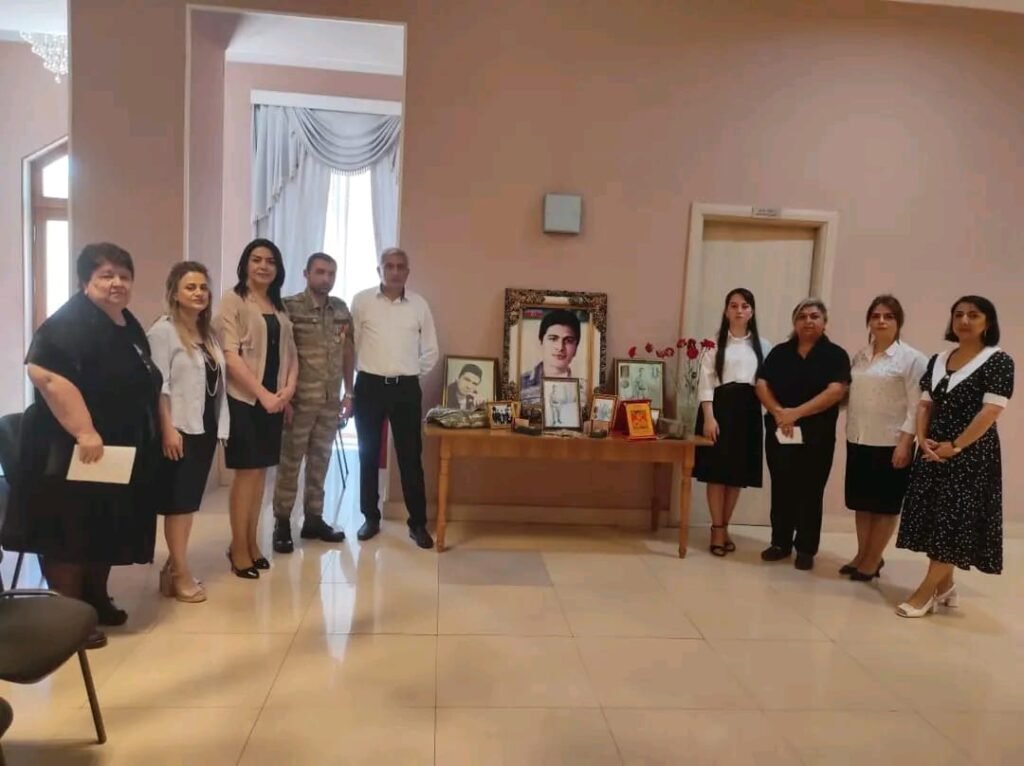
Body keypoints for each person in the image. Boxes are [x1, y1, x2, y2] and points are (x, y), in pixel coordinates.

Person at [1, 243, 162, 648]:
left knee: (102, 525)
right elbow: (45, 374)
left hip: (111, 453)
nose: (117, 283)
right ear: (85, 281)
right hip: (68, 450)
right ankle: (68, 619)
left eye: (124, 276)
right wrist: (85, 430)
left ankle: (94, 600)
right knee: (70, 533)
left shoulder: (123, 321)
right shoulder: (67, 323)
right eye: (106, 275)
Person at [894, 296, 1013, 617]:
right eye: (958, 314)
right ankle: (945, 586)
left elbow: (990, 412)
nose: (964, 320)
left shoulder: (998, 361)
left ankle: (924, 594)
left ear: (988, 322)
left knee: (953, 524)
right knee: (935, 520)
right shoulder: (939, 359)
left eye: (973, 315)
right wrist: (922, 440)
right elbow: (925, 404)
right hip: (932, 450)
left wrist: (956, 445)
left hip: (970, 457)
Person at [214, 239, 297, 578]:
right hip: (245, 401)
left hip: (273, 402)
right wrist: (263, 395)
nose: (264, 266)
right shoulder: (232, 300)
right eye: (257, 259)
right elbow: (230, 356)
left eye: (270, 261)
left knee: (261, 474)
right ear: (245, 264)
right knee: (246, 474)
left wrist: (287, 392)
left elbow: (291, 354)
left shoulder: (278, 305)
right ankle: (238, 548)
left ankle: (250, 542)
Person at [148, 262, 230, 602]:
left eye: (203, 287)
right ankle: (180, 573)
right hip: (178, 429)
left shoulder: (206, 333)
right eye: (190, 287)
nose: (199, 293)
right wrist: (168, 429)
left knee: (188, 503)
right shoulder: (163, 332)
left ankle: (173, 567)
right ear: (175, 293)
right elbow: (158, 385)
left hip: (203, 427)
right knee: (179, 505)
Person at [350, 247, 439, 549]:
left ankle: (418, 523)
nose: (395, 271)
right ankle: (370, 517)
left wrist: (409, 374)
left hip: (405, 389)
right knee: (368, 454)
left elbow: (431, 350)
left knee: (410, 456)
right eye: (389, 266)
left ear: (408, 272)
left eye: (401, 266)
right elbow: (352, 345)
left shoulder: (419, 305)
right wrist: (359, 377)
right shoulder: (362, 301)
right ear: (379, 270)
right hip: (369, 387)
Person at [755, 298, 850, 571]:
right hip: (780, 431)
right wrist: (778, 412)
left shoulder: (835, 355)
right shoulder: (780, 353)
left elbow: (836, 391)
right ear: (794, 322)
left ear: (824, 322)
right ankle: (780, 542)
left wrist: (795, 413)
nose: (808, 321)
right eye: (802, 316)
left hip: (817, 435)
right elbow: (761, 384)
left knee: (811, 490)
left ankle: (806, 548)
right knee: (782, 486)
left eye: (814, 316)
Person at [271, 253, 353, 554]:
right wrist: (284, 397)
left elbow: (348, 352)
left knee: (320, 461)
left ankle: (314, 519)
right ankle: (282, 522)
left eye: (331, 273)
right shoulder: (289, 307)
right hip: (299, 400)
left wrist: (349, 393)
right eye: (320, 272)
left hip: (329, 401)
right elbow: (280, 355)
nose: (326, 278)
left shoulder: (340, 309)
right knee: (290, 463)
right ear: (306, 274)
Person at [841, 295, 926, 582]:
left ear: (898, 322)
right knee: (862, 503)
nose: (881, 321)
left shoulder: (912, 359)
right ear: (869, 321)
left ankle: (873, 558)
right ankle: (862, 554)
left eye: (888, 316)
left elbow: (917, 406)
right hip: (858, 437)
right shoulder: (861, 356)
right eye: (876, 316)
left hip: (891, 443)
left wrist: (905, 443)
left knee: (885, 505)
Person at [694, 288, 772, 556]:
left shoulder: (763, 346)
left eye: (745, 306)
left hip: (748, 413)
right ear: (726, 310)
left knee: (736, 476)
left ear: (752, 311)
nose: (739, 310)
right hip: (719, 410)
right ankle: (716, 529)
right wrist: (709, 417)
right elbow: (705, 382)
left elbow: (766, 384)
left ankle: (725, 526)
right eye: (734, 305)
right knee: (716, 474)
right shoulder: (713, 344)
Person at [519, 309, 580, 403]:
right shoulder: (520, 384)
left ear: (576, 348)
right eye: (553, 339)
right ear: (541, 342)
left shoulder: (584, 389)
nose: (560, 347)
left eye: (568, 341)